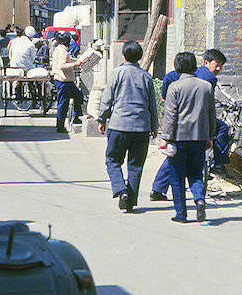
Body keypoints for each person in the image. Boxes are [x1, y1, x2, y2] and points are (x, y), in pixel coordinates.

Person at [150, 48, 230, 200]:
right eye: (216, 64)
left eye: (221, 65)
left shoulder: (184, 74)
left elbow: (168, 77)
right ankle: (219, 163)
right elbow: (208, 107)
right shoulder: (209, 79)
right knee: (222, 128)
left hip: (178, 120)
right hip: (193, 122)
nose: (218, 68)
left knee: (175, 156)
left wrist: (164, 95)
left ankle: (158, 189)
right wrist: (210, 136)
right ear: (206, 63)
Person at [98, 41, 158, 214]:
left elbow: (107, 98)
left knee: (112, 160)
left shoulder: (117, 73)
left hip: (119, 126)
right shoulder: (145, 76)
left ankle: (121, 190)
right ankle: (130, 201)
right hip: (141, 127)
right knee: (135, 166)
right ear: (139, 57)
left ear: (124, 55)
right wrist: (154, 126)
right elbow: (152, 105)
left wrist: (102, 118)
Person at [158, 51, 216, 223]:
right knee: (196, 173)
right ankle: (199, 199)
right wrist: (210, 136)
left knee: (176, 176)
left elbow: (170, 115)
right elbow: (211, 114)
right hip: (199, 138)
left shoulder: (174, 87)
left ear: (177, 67)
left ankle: (181, 214)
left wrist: (165, 137)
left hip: (178, 138)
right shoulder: (206, 86)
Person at [51, 32, 83, 132]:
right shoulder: (62, 51)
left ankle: (76, 117)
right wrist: (75, 63)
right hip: (63, 80)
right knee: (63, 103)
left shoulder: (59, 49)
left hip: (65, 80)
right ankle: (60, 126)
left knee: (78, 96)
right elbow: (62, 65)